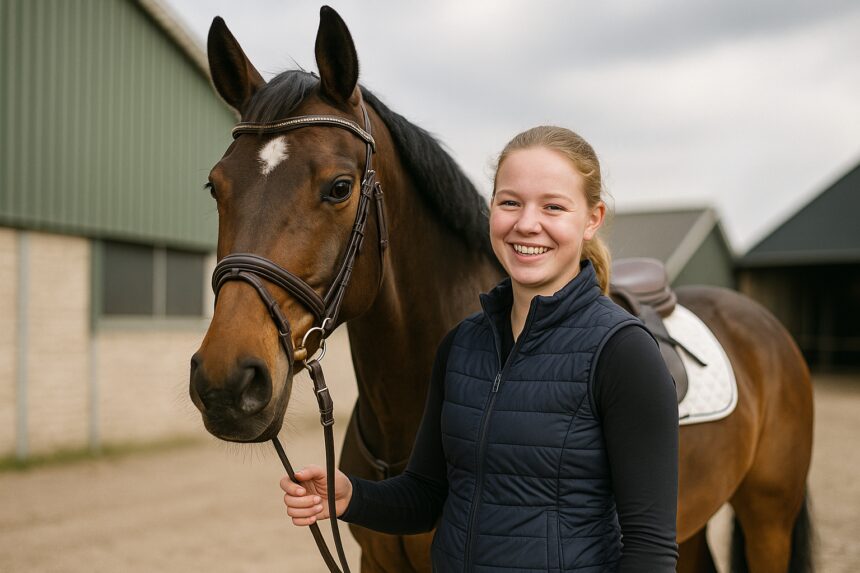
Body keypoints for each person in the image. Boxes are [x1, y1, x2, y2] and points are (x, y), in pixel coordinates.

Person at [281, 126, 679, 572]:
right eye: (510, 202)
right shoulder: (461, 345)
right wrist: (351, 495)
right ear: (491, 209)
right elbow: (427, 496)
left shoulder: (623, 353)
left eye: (553, 206)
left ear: (591, 219)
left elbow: (650, 550)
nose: (527, 223)